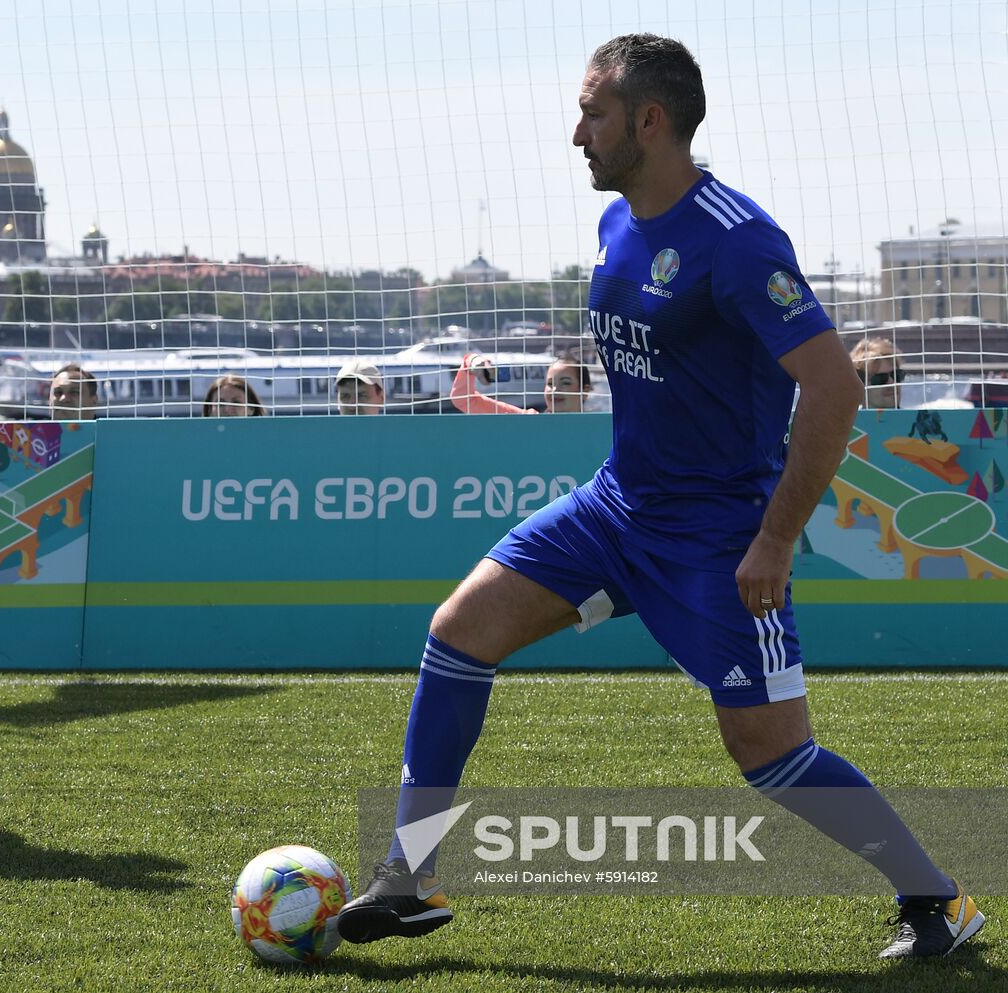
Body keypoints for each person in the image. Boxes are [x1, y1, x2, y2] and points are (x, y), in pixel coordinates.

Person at [337, 34, 982, 961]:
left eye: (593, 113)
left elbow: (833, 388)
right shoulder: (616, 225)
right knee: (458, 632)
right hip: (615, 508)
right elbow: (657, 384)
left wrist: (775, 539)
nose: (576, 134)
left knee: (771, 754)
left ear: (650, 119)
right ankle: (409, 876)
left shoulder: (738, 238)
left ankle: (938, 900)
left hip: (719, 536)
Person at [449, 353, 594, 414]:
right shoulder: (526, 422)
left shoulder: (604, 427)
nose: (554, 390)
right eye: (549, 383)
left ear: (584, 391)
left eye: (565, 383)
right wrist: (472, 362)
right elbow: (462, 399)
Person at [848, 337, 903, 409]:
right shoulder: (844, 420)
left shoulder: (918, 419)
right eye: (881, 378)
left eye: (896, 375)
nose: (892, 383)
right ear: (860, 385)